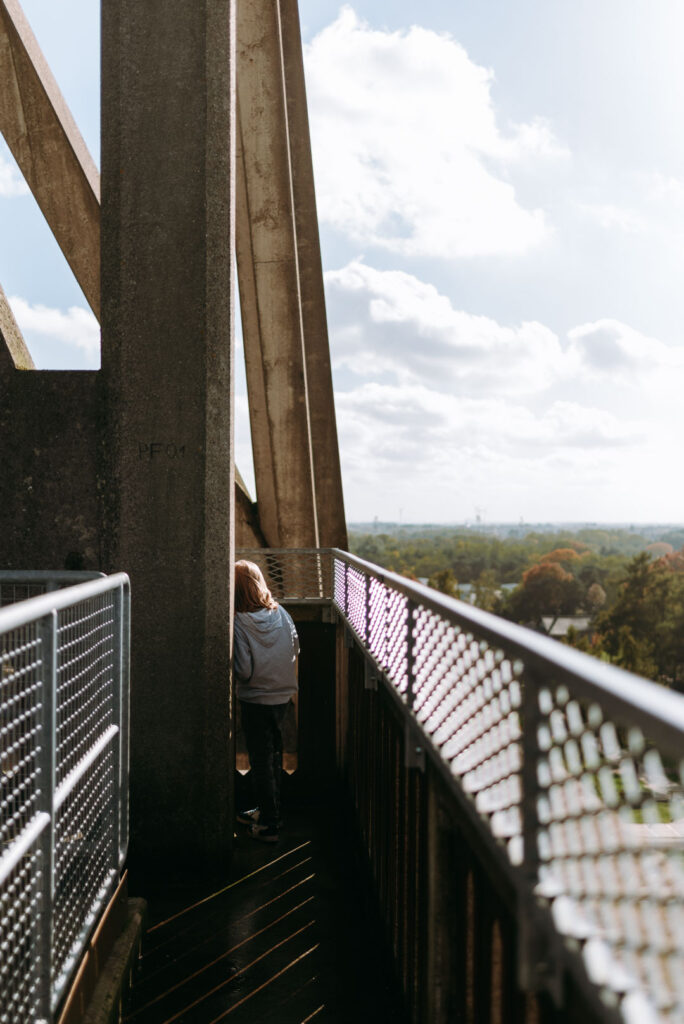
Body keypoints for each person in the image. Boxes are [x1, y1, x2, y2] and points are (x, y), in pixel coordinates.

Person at [233, 559, 299, 843]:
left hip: (256, 697)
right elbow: (295, 646)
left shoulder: (239, 620)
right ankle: (269, 811)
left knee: (260, 759)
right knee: (274, 756)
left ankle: (269, 824)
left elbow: (244, 670)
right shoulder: (281, 612)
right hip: (282, 695)